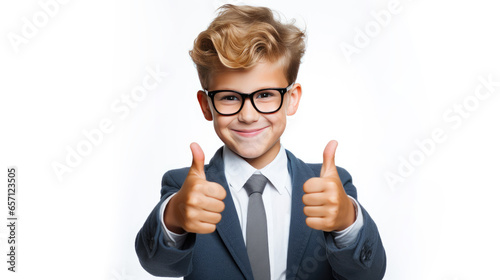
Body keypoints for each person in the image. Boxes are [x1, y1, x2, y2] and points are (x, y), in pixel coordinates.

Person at [135, 4, 386, 280]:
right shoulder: (185, 189)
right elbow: (157, 264)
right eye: (229, 97)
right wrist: (174, 217)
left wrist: (347, 222)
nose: (248, 115)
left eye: (265, 95)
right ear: (206, 106)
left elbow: (368, 274)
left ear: (291, 99)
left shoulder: (330, 187)